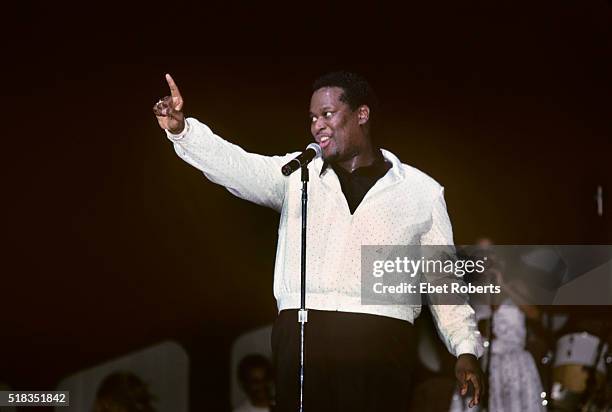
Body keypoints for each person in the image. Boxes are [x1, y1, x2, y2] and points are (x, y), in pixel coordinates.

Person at [153, 71, 485, 411]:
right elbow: (238, 166)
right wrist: (183, 131)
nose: (317, 125)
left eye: (327, 114)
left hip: (381, 337)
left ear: (362, 114)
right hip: (303, 333)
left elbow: (443, 279)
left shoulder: (420, 191)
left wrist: (465, 349)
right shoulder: (298, 175)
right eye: (313, 118)